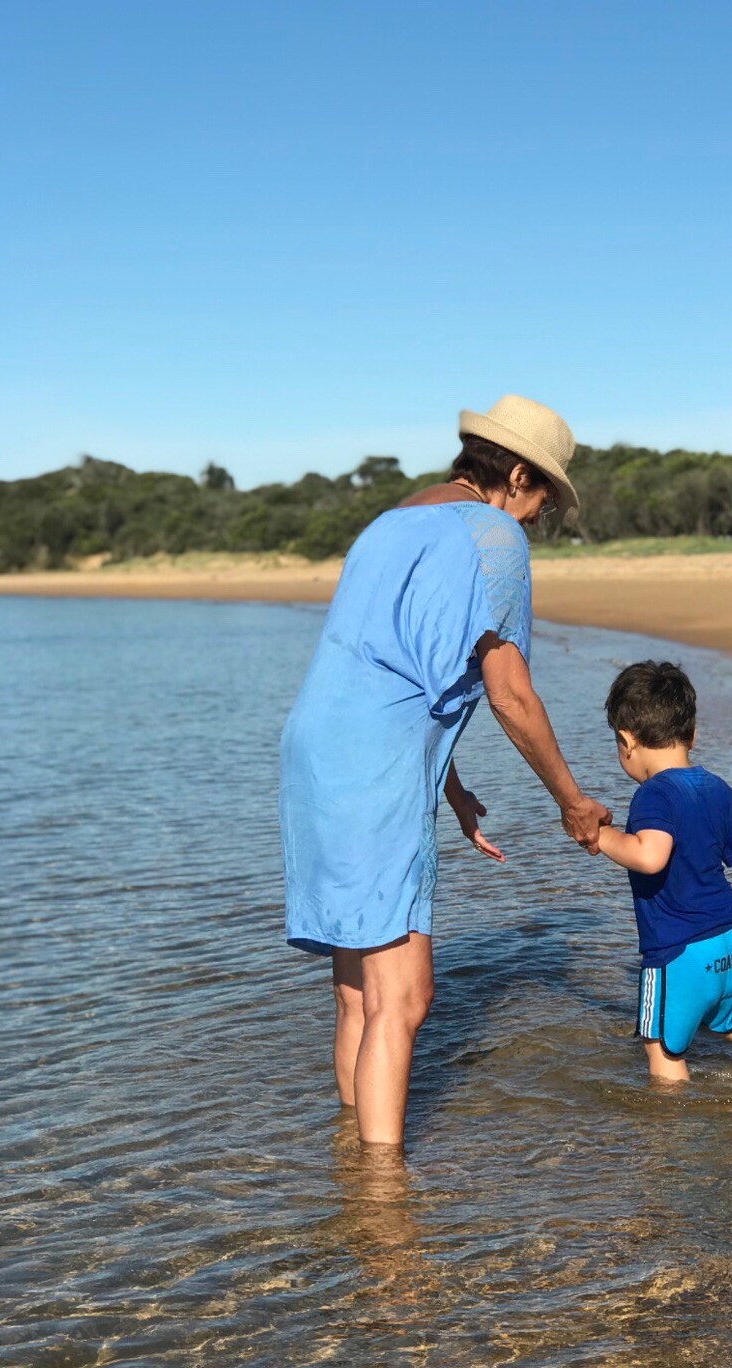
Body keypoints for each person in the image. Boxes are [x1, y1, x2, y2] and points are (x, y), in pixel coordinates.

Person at [280, 396, 611, 1146]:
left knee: (360, 993)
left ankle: (350, 1159)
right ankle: (384, 1203)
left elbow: (394, 666)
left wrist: (452, 789)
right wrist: (571, 799)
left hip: (313, 746)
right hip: (377, 763)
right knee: (405, 995)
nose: (535, 521)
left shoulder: (392, 520)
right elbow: (511, 692)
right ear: (517, 474)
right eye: (540, 503)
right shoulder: (492, 535)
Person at [595, 660, 732, 1086]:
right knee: (729, 1017)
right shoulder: (716, 787)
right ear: (692, 735)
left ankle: (671, 1134)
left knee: (660, 1046)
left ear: (626, 741)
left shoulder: (653, 794)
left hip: (680, 951)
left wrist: (600, 836)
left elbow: (650, 856)